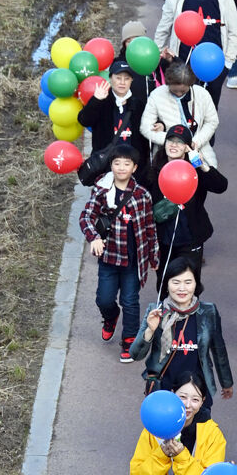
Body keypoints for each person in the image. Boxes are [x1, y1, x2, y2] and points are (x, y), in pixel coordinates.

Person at [79, 142, 157, 360]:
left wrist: (154, 256)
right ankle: (110, 316)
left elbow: (150, 227)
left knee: (130, 300)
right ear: (111, 165)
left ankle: (130, 339)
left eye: (126, 163)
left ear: (134, 167)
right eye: (117, 163)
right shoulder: (102, 191)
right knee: (104, 299)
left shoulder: (142, 195)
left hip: (134, 260)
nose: (121, 167)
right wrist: (93, 237)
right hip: (110, 258)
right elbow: (86, 216)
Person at [131, 256, 234, 409]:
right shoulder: (156, 311)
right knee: (164, 432)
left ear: (196, 284)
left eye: (188, 282)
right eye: (176, 282)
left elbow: (219, 349)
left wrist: (226, 382)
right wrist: (150, 330)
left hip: (197, 391)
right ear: (166, 285)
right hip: (164, 388)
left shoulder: (208, 311)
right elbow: (136, 354)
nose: (182, 288)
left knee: (198, 430)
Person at [153, 0, 237, 103]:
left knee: (209, 110)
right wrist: (157, 54)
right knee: (180, 108)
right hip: (182, 64)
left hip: (214, 66)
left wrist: (227, 64)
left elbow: (234, 33)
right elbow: (163, 28)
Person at [148, 125, 228, 274]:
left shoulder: (195, 169)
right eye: (170, 140)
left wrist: (202, 165)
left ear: (187, 147)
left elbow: (221, 186)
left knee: (190, 281)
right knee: (164, 282)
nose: (173, 145)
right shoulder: (154, 169)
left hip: (190, 236)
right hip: (163, 238)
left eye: (179, 142)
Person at [141, 59, 220, 170]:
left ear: (190, 84)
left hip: (198, 152)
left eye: (183, 91)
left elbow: (212, 121)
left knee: (203, 181)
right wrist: (171, 141)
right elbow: (145, 128)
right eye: (174, 91)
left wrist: (196, 141)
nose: (178, 94)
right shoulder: (156, 95)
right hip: (167, 155)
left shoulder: (202, 94)